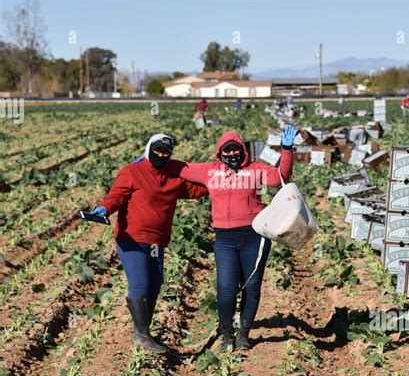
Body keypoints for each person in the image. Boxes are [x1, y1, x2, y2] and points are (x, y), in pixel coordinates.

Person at [177, 125, 297, 351]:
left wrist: (287, 148)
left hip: (254, 236)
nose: (232, 154)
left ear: (242, 150)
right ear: (219, 152)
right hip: (225, 239)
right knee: (226, 288)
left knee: (251, 286)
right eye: (227, 151)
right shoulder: (210, 171)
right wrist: (148, 159)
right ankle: (227, 335)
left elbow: (282, 175)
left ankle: (243, 333)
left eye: (235, 150)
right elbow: (181, 168)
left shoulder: (255, 170)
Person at [87, 134, 208, 354]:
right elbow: (116, 196)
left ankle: (142, 330)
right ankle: (142, 334)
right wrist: (104, 209)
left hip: (156, 241)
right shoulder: (132, 172)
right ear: (149, 149)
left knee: (155, 284)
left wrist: (220, 182)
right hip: (132, 239)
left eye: (166, 152)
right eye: (158, 150)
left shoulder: (173, 178)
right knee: (140, 284)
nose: (161, 155)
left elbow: (195, 190)